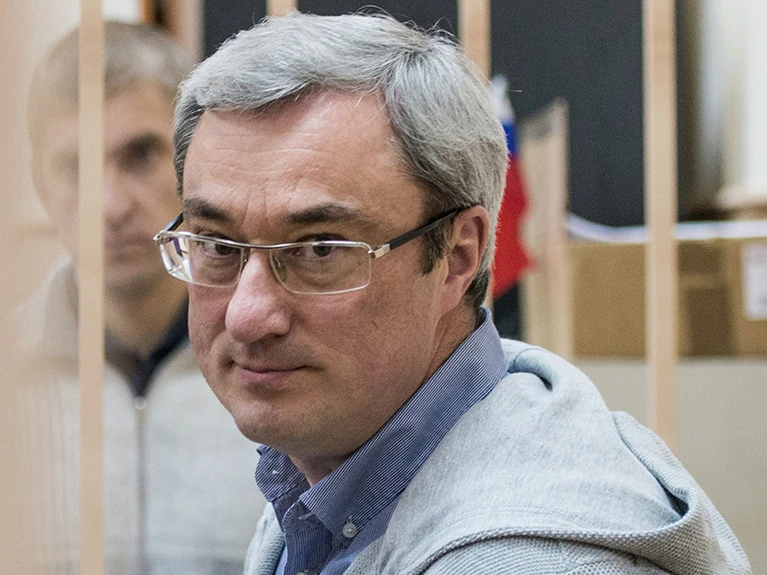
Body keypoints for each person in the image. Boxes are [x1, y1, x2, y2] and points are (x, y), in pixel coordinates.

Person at [156, 12, 752, 575]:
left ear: (458, 256)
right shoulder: (331, 469)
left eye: (320, 250)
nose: (247, 315)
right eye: (217, 245)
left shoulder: (523, 559)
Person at [21, 21, 265, 574]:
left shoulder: (276, 358)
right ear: (41, 185)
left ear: (194, 163)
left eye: (140, 156)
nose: (110, 205)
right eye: (76, 167)